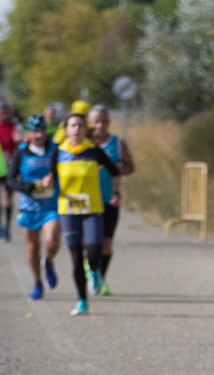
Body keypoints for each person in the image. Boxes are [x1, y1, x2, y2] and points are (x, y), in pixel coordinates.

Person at [50, 112, 120, 316]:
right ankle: (82, 301)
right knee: (75, 256)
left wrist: (116, 193)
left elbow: (115, 171)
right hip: (68, 210)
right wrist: (48, 181)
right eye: (72, 125)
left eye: (80, 125)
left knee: (94, 253)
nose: (76, 129)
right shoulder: (58, 152)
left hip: (92, 209)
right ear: (66, 130)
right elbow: (51, 177)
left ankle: (94, 269)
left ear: (85, 130)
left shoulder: (94, 151)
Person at [7, 114, 60, 300]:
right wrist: (25, 187)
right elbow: (10, 180)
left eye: (42, 130)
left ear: (46, 131)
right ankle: (37, 282)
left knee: (52, 240)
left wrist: (53, 177)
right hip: (29, 206)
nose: (39, 135)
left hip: (51, 205)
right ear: (29, 132)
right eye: (35, 131)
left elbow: (64, 171)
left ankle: (49, 261)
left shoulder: (55, 149)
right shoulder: (21, 152)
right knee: (33, 247)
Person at [88, 105, 134, 295]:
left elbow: (130, 167)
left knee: (106, 242)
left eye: (104, 121)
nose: (100, 125)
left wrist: (115, 168)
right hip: (87, 199)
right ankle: (90, 267)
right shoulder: (83, 142)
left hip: (110, 198)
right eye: (96, 121)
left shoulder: (117, 142)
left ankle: (100, 278)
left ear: (109, 122)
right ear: (90, 122)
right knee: (89, 242)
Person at [0, 101, 24, 241]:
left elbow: (22, 146)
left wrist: (18, 141)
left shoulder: (15, 127)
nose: (3, 116)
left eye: (5, 113)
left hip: (9, 169)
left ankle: (7, 228)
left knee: (7, 198)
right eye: (1, 113)